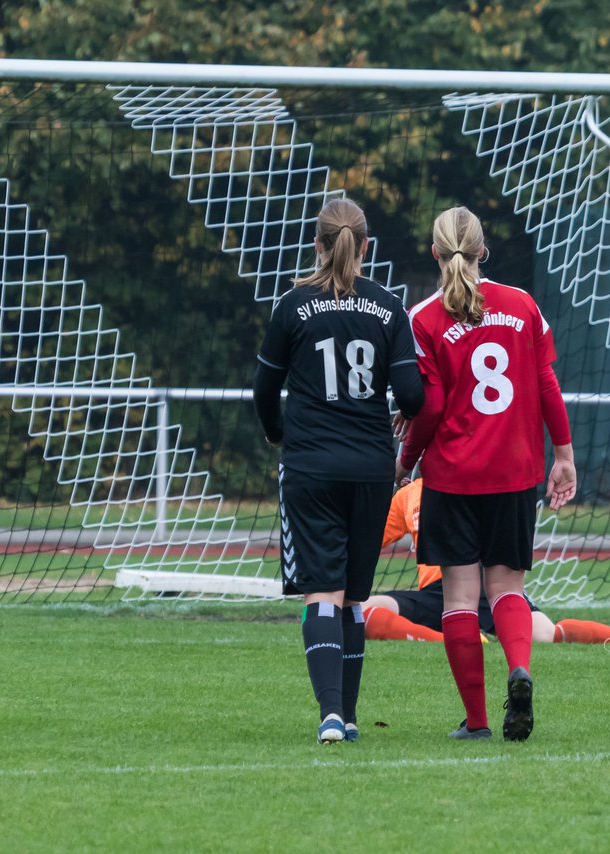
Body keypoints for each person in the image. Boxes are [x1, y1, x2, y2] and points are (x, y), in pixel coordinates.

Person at [396, 205, 577, 742]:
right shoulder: (521, 305)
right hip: (516, 472)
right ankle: (518, 669)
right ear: (484, 251)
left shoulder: (424, 317)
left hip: (454, 476)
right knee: (508, 590)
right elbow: (547, 385)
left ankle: (476, 721)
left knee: (458, 598)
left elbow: (427, 409)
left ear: (434, 253)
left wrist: (407, 461)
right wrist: (563, 454)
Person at [253, 197, 424, 744]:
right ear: (365, 246)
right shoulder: (389, 306)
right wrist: (399, 409)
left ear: (318, 245)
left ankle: (330, 716)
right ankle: (348, 717)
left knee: (319, 593)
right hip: (372, 469)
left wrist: (278, 432)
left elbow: (263, 389)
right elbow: (414, 397)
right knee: (354, 595)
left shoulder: (292, 304)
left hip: (310, 466)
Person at [363, 478, 610, 646]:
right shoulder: (408, 495)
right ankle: (454, 639)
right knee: (360, 612)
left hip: (484, 583)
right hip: (437, 590)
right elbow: (368, 542)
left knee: (549, 635)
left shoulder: (470, 481)